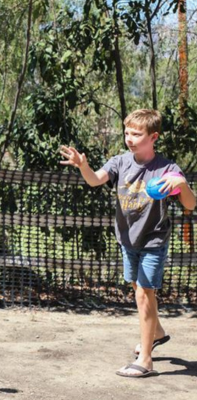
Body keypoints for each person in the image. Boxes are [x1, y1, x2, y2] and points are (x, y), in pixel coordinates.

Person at [59, 109, 196, 378]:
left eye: (137, 134)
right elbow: (95, 180)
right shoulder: (120, 162)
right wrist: (82, 165)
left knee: (144, 294)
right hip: (127, 239)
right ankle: (156, 333)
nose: (130, 138)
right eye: (127, 133)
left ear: (153, 137)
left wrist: (181, 184)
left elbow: (191, 204)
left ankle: (145, 360)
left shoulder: (167, 169)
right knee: (138, 288)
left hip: (154, 240)